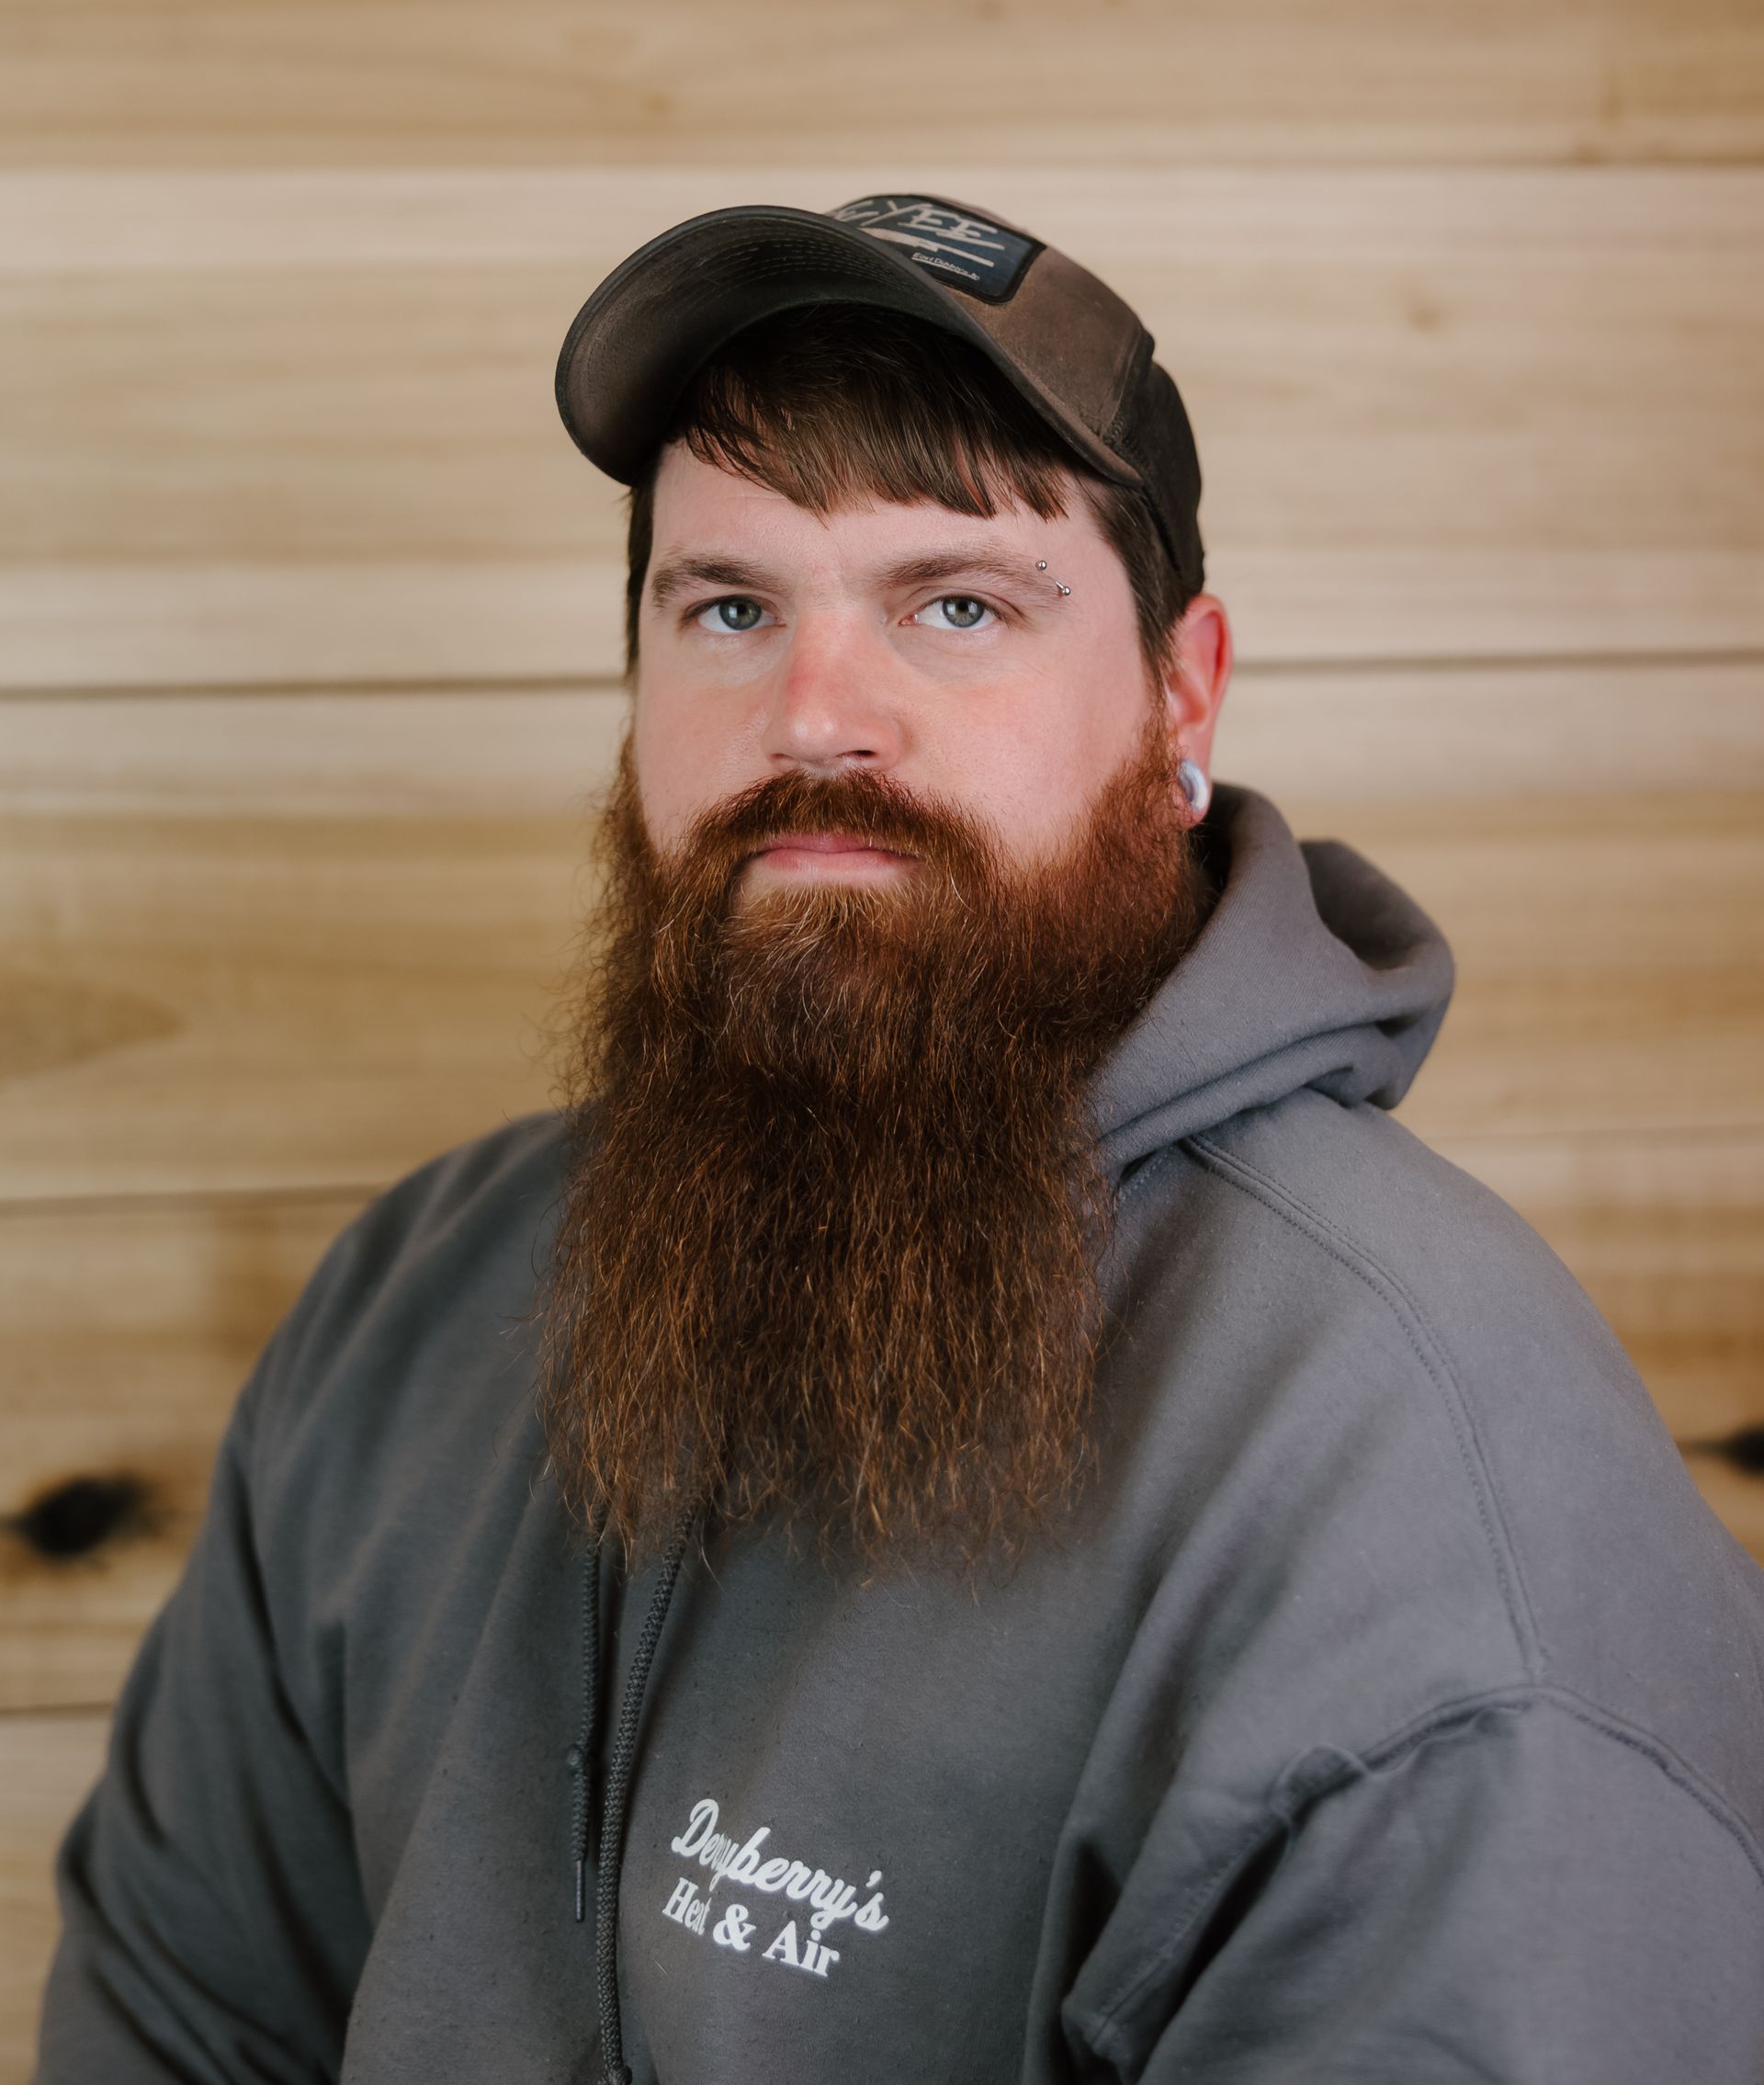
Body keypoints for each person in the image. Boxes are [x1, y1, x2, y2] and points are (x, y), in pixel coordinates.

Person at [37, 194, 1764, 2084]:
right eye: (730, 604)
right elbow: (179, 2026)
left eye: (955, 602)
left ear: (1181, 691)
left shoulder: (1428, 1503)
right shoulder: (415, 1304)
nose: (814, 714)